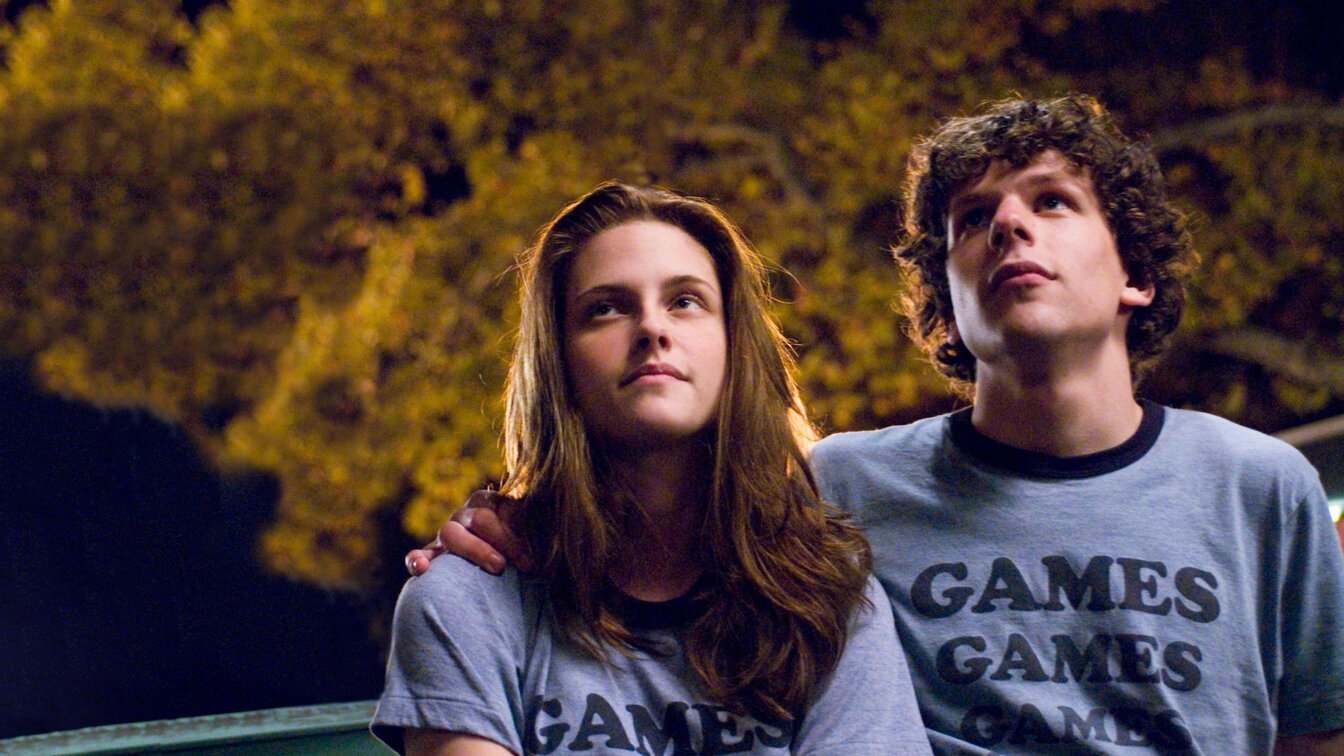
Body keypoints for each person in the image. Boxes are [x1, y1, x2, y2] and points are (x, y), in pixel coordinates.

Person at [410, 96, 1344, 755]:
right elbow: (661, 508)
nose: (1010, 227)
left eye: (1051, 201)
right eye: (973, 219)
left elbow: (1316, 733)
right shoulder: (843, 486)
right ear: (946, 302)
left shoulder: (1261, 486)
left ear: (1133, 273)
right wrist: (502, 521)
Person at [374, 181, 931, 755]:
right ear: (558, 360)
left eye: (685, 301)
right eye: (605, 308)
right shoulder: (467, 598)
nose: (651, 329)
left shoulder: (829, 593)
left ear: (734, 342)